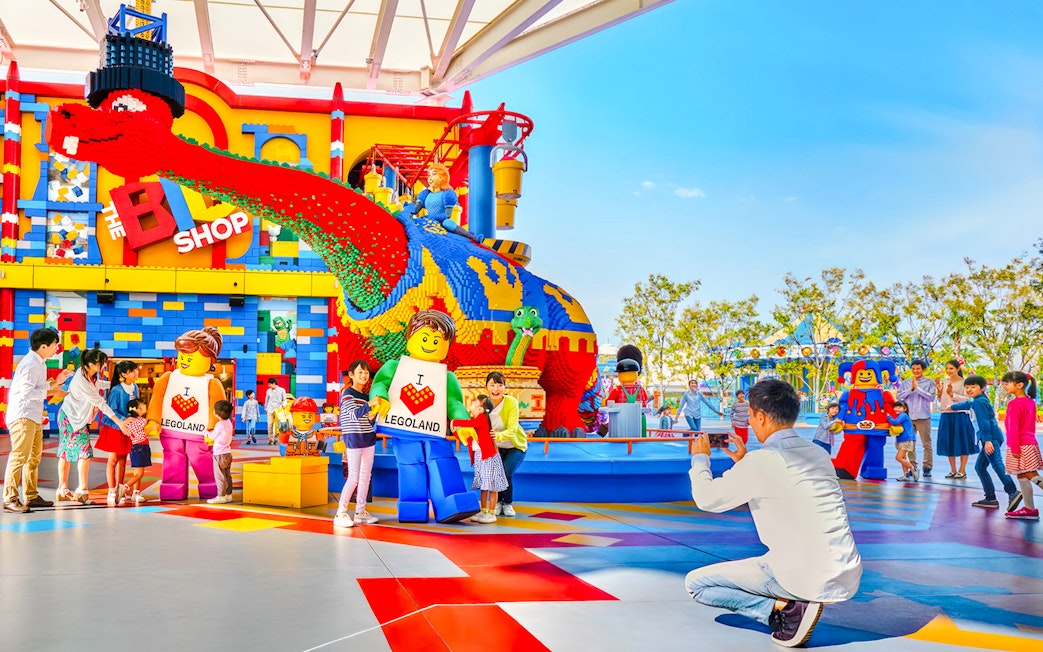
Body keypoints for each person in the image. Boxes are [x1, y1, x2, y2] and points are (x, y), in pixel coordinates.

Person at [685, 378, 862, 648]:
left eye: (752, 418)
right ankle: (794, 602)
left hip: (801, 573)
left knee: (697, 584)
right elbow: (786, 485)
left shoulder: (763, 461)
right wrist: (745, 462)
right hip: (846, 571)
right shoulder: (817, 453)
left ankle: (784, 610)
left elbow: (707, 499)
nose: (751, 424)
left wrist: (700, 458)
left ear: (760, 416)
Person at [3, 328, 73, 513]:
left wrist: (56, 382)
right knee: (19, 456)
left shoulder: (39, 363)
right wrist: (53, 391)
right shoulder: (30, 364)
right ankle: (10, 498)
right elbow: (27, 393)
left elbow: (39, 387)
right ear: (43, 346)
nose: (57, 348)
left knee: (33, 458)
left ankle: (31, 495)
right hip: (23, 415)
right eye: (54, 345)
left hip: (33, 416)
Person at [56, 349, 131, 505]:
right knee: (84, 452)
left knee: (66, 452)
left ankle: (62, 489)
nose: (104, 365)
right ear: (91, 364)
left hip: (70, 417)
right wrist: (120, 423)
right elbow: (101, 403)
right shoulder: (81, 381)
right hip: (71, 419)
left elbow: (99, 384)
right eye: (101, 363)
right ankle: (82, 491)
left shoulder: (86, 374)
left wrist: (115, 384)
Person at [952, 376, 1019, 510]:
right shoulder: (978, 400)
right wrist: (952, 406)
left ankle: (1012, 492)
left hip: (990, 438)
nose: (969, 389)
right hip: (992, 437)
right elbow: (967, 404)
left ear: (982, 388)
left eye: (973, 387)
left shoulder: (979, 402)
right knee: (980, 467)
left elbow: (984, 422)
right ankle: (990, 498)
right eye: (967, 387)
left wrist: (987, 440)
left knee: (996, 464)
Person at [334, 360, 379, 528]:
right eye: (360, 372)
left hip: (368, 439)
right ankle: (341, 512)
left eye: (366, 372)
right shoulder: (348, 394)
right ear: (351, 374)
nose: (364, 375)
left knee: (366, 477)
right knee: (353, 477)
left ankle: (360, 512)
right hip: (354, 440)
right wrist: (369, 405)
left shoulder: (366, 397)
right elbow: (352, 416)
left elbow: (366, 419)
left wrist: (372, 416)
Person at [454, 394, 508, 524]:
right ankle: (484, 511)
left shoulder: (482, 419)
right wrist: (456, 429)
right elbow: (465, 436)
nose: (471, 404)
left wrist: (454, 422)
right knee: (484, 486)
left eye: (474, 402)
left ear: (481, 409)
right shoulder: (477, 421)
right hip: (481, 457)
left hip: (488, 457)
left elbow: (469, 424)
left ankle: (491, 512)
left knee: (492, 486)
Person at [1001, 371, 1043, 520]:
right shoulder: (1030, 401)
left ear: (1019, 385)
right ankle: (1029, 508)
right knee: (1022, 475)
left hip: (1020, 445)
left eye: (1007, 383)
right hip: (1030, 443)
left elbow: (1013, 427)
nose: (1004, 385)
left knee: (1031, 474)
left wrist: (1014, 447)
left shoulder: (1014, 404)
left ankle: (1029, 508)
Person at [97, 359, 139, 506]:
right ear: (123, 374)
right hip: (115, 427)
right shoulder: (116, 390)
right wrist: (123, 420)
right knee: (113, 459)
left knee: (123, 460)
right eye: (132, 371)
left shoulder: (135, 387)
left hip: (128, 428)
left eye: (135, 370)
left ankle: (120, 489)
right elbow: (112, 410)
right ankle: (111, 489)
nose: (136, 373)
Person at [487, 371, 528, 517]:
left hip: (515, 446)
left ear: (505, 387)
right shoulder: (483, 404)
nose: (496, 389)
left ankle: (507, 503)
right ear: (486, 387)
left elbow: (512, 429)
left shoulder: (511, 403)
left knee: (505, 472)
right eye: (492, 385)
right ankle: (497, 502)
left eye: (499, 385)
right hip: (496, 446)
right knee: (494, 473)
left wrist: (496, 436)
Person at [936, 359, 977, 479]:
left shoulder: (964, 383)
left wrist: (952, 394)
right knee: (949, 442)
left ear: (958, 369)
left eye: (951, 368)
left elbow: (967, 400)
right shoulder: (944, 382)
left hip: (960, 415)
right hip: (946, 414)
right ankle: (953, 470)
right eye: (947, 368)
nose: (948, 371)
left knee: (963, 441)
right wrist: (939, 391)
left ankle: (962, 470)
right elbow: (941, 400)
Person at [897, 359, 937, 478]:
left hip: (923, 416)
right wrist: (911, 389)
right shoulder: (906, 383)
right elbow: (899, 396)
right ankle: (912, 466)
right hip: (908, 418)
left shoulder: (929, 382)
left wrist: (918, 389)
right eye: (913, 369)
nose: (916, 371)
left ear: (923, 370)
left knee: (926, 443)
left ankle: (927, 467)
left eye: (918, 369)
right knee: (910, 443)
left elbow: (931, 398)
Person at [206, 400, 235, 505]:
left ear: (217, 413)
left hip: (219, 454)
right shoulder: (229, 423)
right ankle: (228, 495)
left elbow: (212, 436)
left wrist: (204, 432)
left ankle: (221, 496)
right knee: (227, 475)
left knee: (219, 476)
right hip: (228, 453)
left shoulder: (219, 424)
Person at [123, 398, 151, 504]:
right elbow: (144, 433)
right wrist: (153, 425)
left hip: (135, 448)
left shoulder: (130, 421)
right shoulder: (140, 421)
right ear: (137, 410)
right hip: (141, 448)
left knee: (137, 472)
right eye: (143, 404)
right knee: (140, 474)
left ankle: (136, 493)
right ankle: (124, 487)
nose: (145, 405)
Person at [888, 401, 918, 482]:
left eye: (899, 407)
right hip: (901, 439)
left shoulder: (903, 415)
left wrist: (888, 416)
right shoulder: (898, 416)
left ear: (904, 409)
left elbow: (895, 422)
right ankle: (906, 475)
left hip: (906, 439)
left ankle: (913, 469)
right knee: (903, 458)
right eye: (895, 407)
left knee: (898, 458)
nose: (897, 409)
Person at [264, 378, 287, 445]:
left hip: (278, 410)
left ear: (274, 383)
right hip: (270, 409)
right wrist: (266, 408)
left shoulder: (282, 390)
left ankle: (276, 439)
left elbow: (284, 399)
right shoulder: (268, 391)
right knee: (270, 424)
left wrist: (284, 405)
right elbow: (266, 400)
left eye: (270, 384)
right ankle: (270, 439)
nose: (269, 385)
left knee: (277, 425)